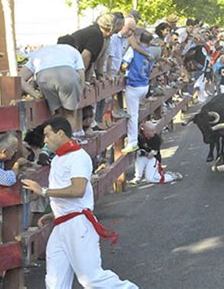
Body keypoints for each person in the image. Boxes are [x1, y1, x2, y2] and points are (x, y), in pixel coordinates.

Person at [21, 116, 138, 288]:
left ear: (60, 133)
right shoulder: (60, 159)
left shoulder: (78, 157)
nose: (45, 140)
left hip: (78, 225)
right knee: (55, 282)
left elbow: (78, 190)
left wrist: (43, 191)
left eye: (47, 135)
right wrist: (55, 213)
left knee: (91, 279)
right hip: (63, 224)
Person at [19, 36, 86, 138]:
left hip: (44, 76)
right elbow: (81, 75)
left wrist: (35, 94)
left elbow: (19, 78)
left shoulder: (41, 52)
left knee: (57, 114)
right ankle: (68, 143)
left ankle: (54, 145)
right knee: (70, 114)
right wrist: (79, 92)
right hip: (67, 74)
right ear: (75, 46)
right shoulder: (73, 51)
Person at [0, 132, 27, 287]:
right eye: (14, 150)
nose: (15, 152)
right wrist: (15, 168)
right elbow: (7, 179)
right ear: (3, 152)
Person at [121, 30, 156, 154]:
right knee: (138, 113)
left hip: (134, 85)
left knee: (133, 115)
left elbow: (124, 65)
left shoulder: (133, 50)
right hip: (144, 85)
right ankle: (141, 137)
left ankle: (133, 142)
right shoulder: (151, 53)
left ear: (139, 39)